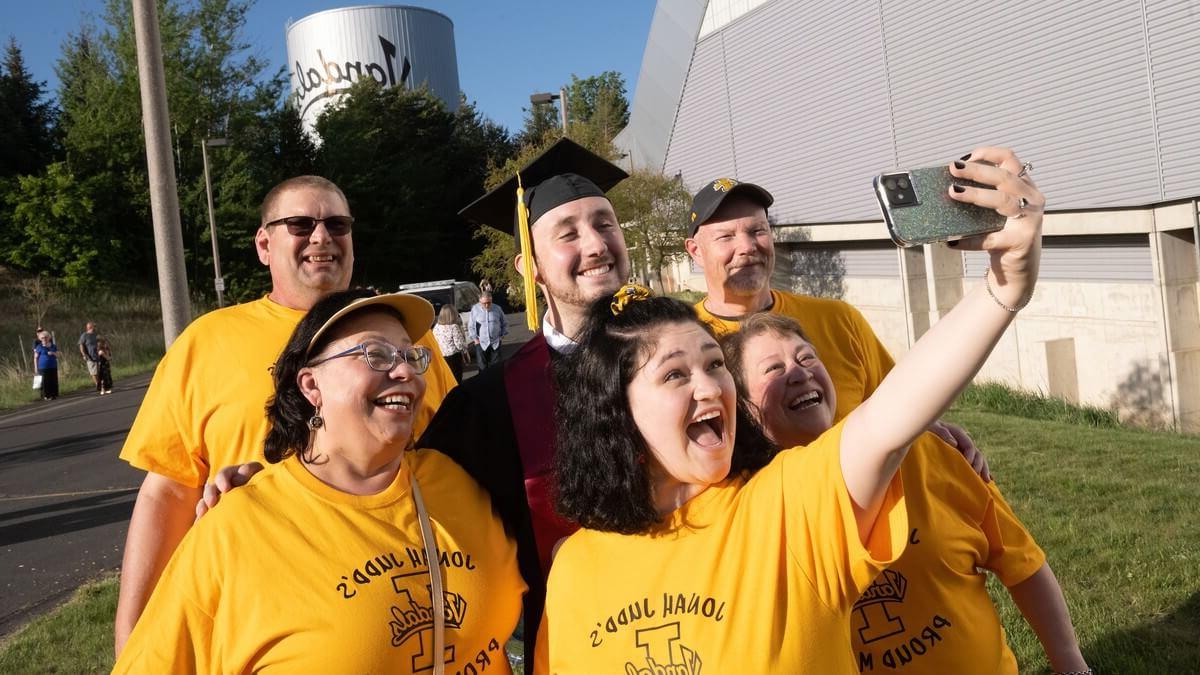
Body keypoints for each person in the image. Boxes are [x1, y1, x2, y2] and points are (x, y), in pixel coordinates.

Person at [538, 147, 1047, 672]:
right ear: (615, 413)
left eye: (716, 365)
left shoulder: (785, 509)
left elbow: (889, 417)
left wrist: (1002, 287)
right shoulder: (575, 570)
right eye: (674, 374)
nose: (713, 388)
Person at [113, 175, 459, 654]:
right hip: (255, 607)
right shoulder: (207, 342)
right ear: (264, 243)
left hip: (388, 598)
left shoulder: (407, 343)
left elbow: (449, 466)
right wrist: (132, 632)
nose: (321, 237)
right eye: (300, 224)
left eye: (337, 224)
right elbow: (168, 490)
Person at [112, 289, 525, 673]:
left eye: (410, 356)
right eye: (375, 355)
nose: (403, 370)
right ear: (311, 385)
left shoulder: (458, 478)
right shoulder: (236, 530)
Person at [723, 312, 1090, 673]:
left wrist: (1072, 665)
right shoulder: (749, 511)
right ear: (742, 406)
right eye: (773, 369)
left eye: (806, 358)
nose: (799, 372)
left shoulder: (925, 453)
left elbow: (1021, 561)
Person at [416, 138, 633, 663]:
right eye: (569, 233)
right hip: (565, 648)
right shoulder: (487, 404)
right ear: (529, 268)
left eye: (605, 223)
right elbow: (404, 504)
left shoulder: (693, 364)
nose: (597, 243)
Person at [685, 175, 991, 477]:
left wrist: (932, 428)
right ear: (695, 250)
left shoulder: (839, 319)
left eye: (758, 231)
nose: (747, 246)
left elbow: (895, 401)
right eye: (726, 237)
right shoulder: (686, 343)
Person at [468, 292, 508, 370]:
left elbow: (505, 323)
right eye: (484, 303)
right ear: (480, 301)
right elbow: (471, 326)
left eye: (489, 303)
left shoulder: (497, 308)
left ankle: (495, 381)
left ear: (491, 300)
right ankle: (484, 382)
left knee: (496, 367)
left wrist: (502, 336)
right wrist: (475, 339)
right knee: (482, 368)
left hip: (495, 342)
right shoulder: (475, 309)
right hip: (480, 343)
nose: (486, 305)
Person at [432, 304, 471, 382]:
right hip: (453, 357)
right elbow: (459, 345)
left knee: (447, 379)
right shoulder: (454, 327)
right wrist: (466, 348)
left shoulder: (436, 327)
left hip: (442, 356)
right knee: (456, 378)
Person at [33, 330, 60, 400]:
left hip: (53, 366)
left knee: (53, 380)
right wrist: (36, 368)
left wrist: (53, 353)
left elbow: (58, 355)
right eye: (42, 338)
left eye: (45, 337)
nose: (44, 339)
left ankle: (54, 394)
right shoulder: (39, 347)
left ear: (48, 338)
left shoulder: (53, 346)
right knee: (45, 382)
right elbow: (35, 358)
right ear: (40, 339)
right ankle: (46, 396)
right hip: (42, 367)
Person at [78, 321, 101, 393]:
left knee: (99, 371)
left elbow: (101, 343)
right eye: (94, 326)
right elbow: (81, 345)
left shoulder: (96, 335)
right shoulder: (84, 335)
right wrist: (84, 354)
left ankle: (101, 384)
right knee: (93, 372)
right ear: (90, 327)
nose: (95, 328)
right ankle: (97, 384)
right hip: (90, 356)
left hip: (99, 355)